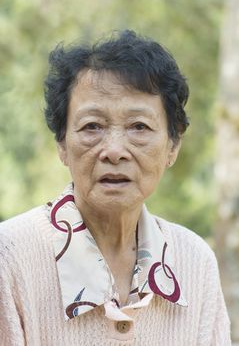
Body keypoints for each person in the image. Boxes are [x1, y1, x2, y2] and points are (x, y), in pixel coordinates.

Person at [0, 30, 231, 345]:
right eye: (92, 126)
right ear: (62, 144)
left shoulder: (194, 262)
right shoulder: (10, 258)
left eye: (139, 127)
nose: (114, 150)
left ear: (173, 145)